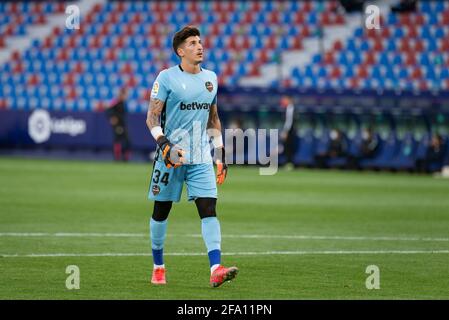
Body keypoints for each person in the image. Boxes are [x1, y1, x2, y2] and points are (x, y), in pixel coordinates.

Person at [145, 26, 238, 288]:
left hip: (200, 157)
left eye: (200, 41)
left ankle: (216, 268)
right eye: (193, 43)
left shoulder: (211, 78)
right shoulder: (166, 78)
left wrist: (220, 153)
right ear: (180, 51)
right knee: (161, 211)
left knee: (209, 209)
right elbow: (152, 117)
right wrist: (164, 144)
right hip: (170, 156)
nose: (200, 46)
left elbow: (214, 118)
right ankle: (158, 266)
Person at [105, 87, 131, 161]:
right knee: (118, 140)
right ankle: (117, 158)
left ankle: (124, 158)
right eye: (125, 95)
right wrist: (112, 117)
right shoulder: (116, 102)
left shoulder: (122, 103)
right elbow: (108, 110)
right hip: (118, 125)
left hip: (123, 124)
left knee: (127, 141)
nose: (126, 96)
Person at [279, 96, 297, 169]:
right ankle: (288, 162)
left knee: (288, 147)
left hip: (290, 131)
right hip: (289, 131)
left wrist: (285, 131)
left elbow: (288, 122)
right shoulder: (288, 108)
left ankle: (289, 163)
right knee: (287, 147)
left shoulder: (290, 108)